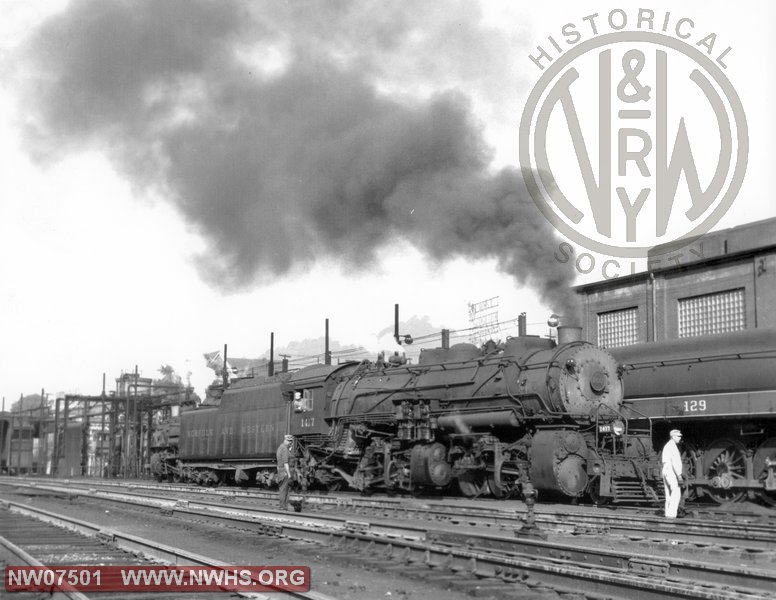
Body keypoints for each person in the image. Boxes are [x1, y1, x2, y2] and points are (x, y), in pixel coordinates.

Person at [661, 429, 684, 518]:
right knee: (676, 492)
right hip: (671, 471)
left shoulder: (667, 446)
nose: (680, 438)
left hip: (665, 470)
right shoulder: (673, 447)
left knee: (668, 494)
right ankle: (671, 515)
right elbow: (675, 462)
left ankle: (667, 513)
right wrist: (679, 475)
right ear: (673, 437)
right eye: (678, 436)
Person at [276, 434, 294, 511]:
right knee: (285, 489)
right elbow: (286, 463)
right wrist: (289, 474)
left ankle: (283, 506)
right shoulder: (284, 449)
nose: (291, 443)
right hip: (285, 471)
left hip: (281, 470)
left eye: (291, 441)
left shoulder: (280, 447)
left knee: (283, 489)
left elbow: (278, 462)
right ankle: (283, 506)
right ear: (286, 440)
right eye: (289, 441)